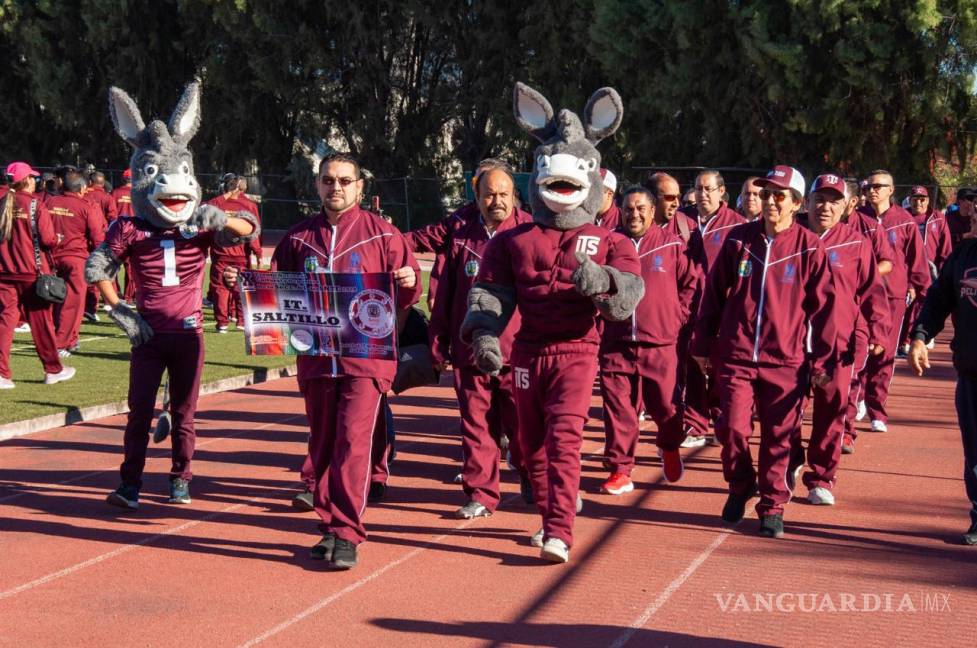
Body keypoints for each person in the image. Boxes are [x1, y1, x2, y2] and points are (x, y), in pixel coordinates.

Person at [230, 153, 420, 570]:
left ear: (360, 187)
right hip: (316, 360)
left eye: (345, 181)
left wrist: (408, 283)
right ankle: (330, 525)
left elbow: (404, 297)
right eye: (328, 181)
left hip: (365, 361)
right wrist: (250, 289)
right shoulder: (299, 239)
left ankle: (347, 532)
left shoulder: (383, 235)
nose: (337, 188)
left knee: (353, 444)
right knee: (322, 445)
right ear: (317, 185)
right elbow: (276, 294)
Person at [89, 80, 258, 512]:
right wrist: (120, 310)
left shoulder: (198, 225)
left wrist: (224, 216)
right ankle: (130, 483)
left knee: (184, 415)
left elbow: (248, 230)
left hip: (188, 334)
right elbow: (98, 268)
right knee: (138, 414)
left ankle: (181, 478)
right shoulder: (129, 226)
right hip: (147, 335)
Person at [690, 165, 836, 538]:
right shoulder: (739, 240)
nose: (771, 201)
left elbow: (825, 309)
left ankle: (772, 506)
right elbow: (713, 296)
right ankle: (740, 484)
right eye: (767, 193)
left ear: (796, 204)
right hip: (736, 355)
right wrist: (703, 343)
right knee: (731, 429)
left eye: (780, 195)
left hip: (785, 361)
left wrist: (822, 360)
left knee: (778, 437)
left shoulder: (809, 247)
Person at [428, 167, 532, 518]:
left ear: (514, 195)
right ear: (477, 196)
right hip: (471, 349)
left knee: (524, 423)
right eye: (489, 194)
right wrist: (439, 339)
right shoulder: (462, 235)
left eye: (503, 194)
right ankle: (481, 494)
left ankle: (531, 474)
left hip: (519, 351)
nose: (496, 201)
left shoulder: (530, 231)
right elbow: (446, 291)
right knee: (476, 424)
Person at [796, 174, 888, 505]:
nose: (825, 206)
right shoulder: (790, 237)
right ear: (806, 203)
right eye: (819, 199)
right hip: (789, 341)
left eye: (834, 200)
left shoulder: (855, 243)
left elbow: (873, 291)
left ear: (847, 206)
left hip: (837, 343)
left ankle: (820, 477)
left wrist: (878, 330)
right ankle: (791, 454)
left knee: (831, 411)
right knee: (785, 411)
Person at [598, 187, 697, 494]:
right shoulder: (610, 243)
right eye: (629, 208)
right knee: (618, 408)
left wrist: (676, 317)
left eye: (641, 208)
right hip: (617, 341)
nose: (634, 214)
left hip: (660, 343)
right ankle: (620, 468)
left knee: (665, 408)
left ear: (653, 211)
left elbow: (691, 286)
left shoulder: (672, 245)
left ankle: (669, 446)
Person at [909, 210, 977, 545]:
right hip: (972, 372)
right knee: (975, 452)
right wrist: (920, 336)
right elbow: (938, 299)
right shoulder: (963, 255)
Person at [854, 171, 930, 433]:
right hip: (859, 294)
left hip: (892, 297)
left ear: (891, 190)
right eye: (869, 186)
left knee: (884, 353)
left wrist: (923, 293)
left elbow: (917, 262)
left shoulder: (904, 221)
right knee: (859, 348)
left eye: (878, 186)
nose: (872, 190)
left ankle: (878, 411)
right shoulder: (857, 218)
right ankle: (858, 398)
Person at [681, 170, 747, 446]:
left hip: (722, 306)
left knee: (721, 366)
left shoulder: (736, 225)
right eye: (699, 189)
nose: (703, 194)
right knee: (692, 364)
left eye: (709, 189)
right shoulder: (683, 220)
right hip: (687, 305)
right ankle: (695, 423)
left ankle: (720, 416)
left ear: (722, 192)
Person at [0, 162, 76, 388]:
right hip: (32, 273)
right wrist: (58, 240)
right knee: (41, 323)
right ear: (26, 180)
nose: (36, 181)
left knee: (5, 321)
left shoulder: (2, 203)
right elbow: (48, 240)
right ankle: (53, 369)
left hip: (4, 272)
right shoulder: (34, 204)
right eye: (32, 178)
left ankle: (2, 374)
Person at [44, 168, 105, 355]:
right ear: (81, 189)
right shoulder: (86, 206)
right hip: (76, 258)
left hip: (51, 257)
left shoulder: (49, 202)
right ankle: (62, 342)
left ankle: (69, 338)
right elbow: (97, 238)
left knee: (55, 298)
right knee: (73, 302)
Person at [899, 185, 952, 354]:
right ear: (910, 200)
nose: (919, 203)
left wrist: (944, 271)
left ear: (928, 200)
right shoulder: (903, 217)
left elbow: (945, 247)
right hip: (908, 268)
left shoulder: (937, 218)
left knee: (927, 302)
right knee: (907, 303)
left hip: (931, 269)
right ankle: (904, 339)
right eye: (915, 199)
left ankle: (922, 336)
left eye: (922, 199)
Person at [206, 173, 260, 332]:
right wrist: (257, 251)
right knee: (241, 286)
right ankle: (241, 320)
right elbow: (255, 230)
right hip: (241, 253)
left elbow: (206, 208)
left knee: (220, 288)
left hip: (220, 252)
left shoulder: (218, 202)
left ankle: (222, 323)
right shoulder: (250, 205)